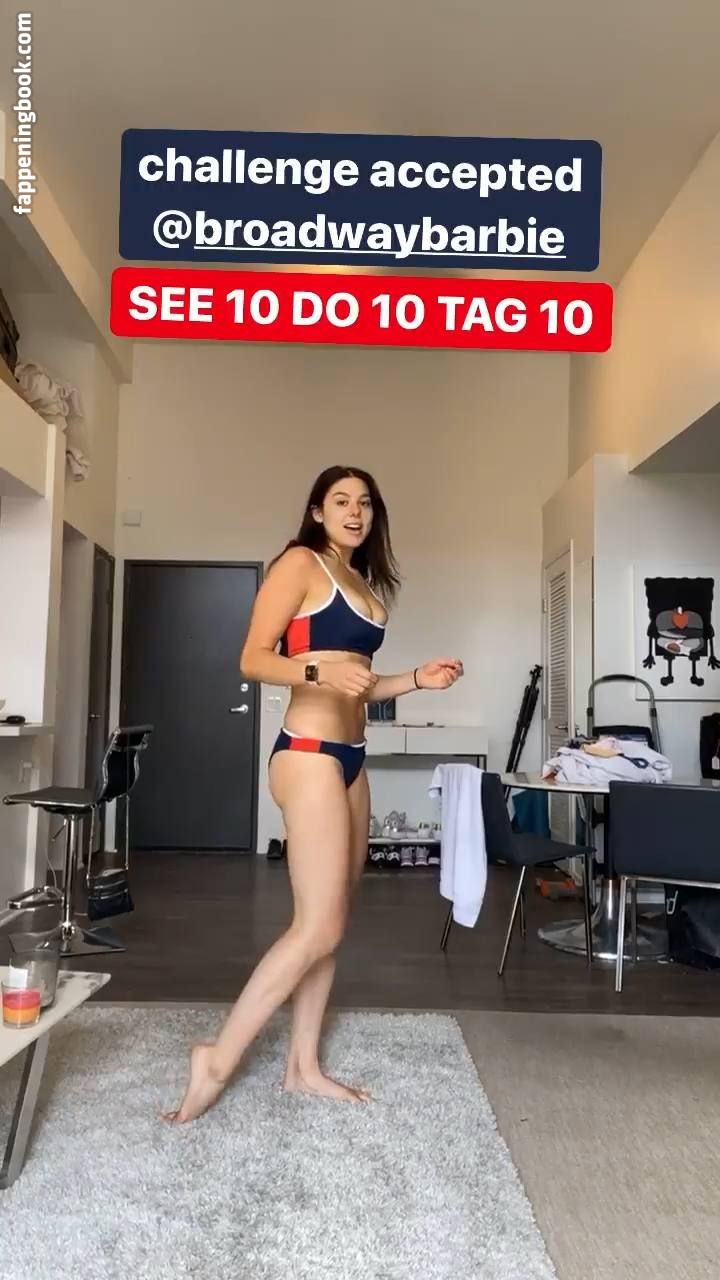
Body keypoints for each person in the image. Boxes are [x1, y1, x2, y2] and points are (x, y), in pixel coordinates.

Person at [164, 465, 463, 1123]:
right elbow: (252, 658)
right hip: (307, 754)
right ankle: (215, 1059)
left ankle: (302, 1067)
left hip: (352, 757)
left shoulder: (361, 581)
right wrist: (316, 669)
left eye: (365, 503)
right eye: (341, 501)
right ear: (318, 511)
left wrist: (417, 678)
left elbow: (361, 683)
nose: (355, 512)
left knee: (334, 921)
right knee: (317, 924)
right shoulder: (301, 564)